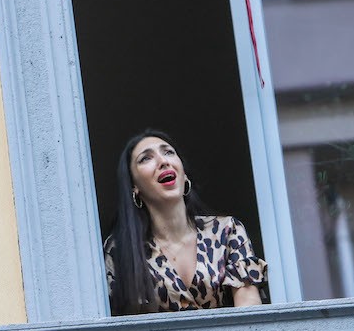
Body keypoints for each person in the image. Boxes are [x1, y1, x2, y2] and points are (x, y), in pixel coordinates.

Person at [104, 129, 267, 315]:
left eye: (168, 152)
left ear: (184, 174)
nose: (163, 161)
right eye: (146, 158)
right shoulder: (121, 249)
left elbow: (250, 314)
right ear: (134, 187)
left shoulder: (227, 230)